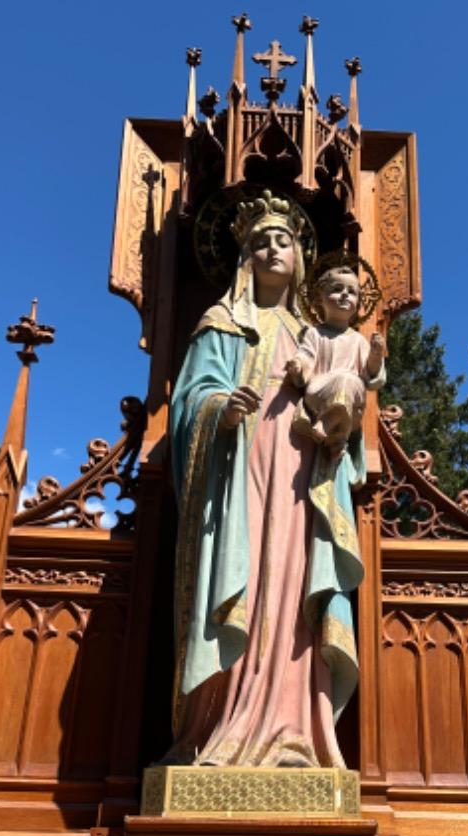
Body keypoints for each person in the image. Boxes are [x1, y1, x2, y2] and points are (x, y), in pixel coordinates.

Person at [165, 191, 363, 768]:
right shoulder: (222, 323)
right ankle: (221, 729)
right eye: (259, 242)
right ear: (243, 258)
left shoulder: (320, 331)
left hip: (303, 473)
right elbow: (188, 400)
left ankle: (293, 728)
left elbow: (349, 398)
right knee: (246, 578)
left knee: (296, 584)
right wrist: (220, 409)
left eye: (283, 240)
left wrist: (337, 433)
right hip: (241, 472)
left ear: (301, 254)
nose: (271, 249)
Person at [286, 266, 386, 458]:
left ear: (358, 303)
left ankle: (333, 432)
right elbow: (306, 356)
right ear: (320, 298)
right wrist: (298, 366)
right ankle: (335, 436)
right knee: (344, 379)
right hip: (321, 391)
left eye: (351, 292)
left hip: (351, 397)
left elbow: (370, 376)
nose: (344, 296)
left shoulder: (358, 340)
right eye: (337, 289)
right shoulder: (314, 333)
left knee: (350, 381)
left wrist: (375, 354)